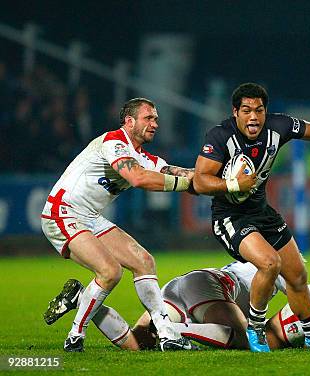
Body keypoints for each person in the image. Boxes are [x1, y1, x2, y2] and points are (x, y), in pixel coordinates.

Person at [191, 83, 310, 352]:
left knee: (297, 275)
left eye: (259, 110)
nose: (254, 117)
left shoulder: (279, 126)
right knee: (270, 263)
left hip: (262, 212)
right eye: (247, 110)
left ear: (266, 111)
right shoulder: (219, 136)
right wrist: (233, 185)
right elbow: (201, 181)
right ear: (235, 112)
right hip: (230, 216)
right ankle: (256, 329)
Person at [41, 98, 196, 352]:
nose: (155, 123)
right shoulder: (114, 141)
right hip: (62, 211)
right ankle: (75, 335)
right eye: (149, 118)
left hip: (89, 216)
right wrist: (187, 185)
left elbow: (178, 172)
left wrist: (221, 180)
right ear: (129, 121)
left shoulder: (143, 157)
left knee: (144, 261)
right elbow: (137, 178)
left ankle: (167, 334)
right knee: (110, 271)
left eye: (156, 119)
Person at [44, 262, 286, 350]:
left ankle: (81, 299)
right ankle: (170, 332)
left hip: (184, 284)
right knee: (246, 338)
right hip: (208, 285)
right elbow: (301, 296)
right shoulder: (281, 261)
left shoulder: (257, 253)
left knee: (138, 344)